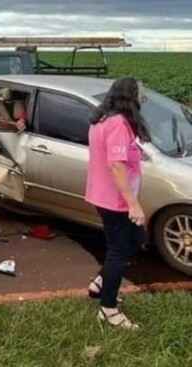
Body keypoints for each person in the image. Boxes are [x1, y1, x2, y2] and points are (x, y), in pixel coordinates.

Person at [85, 77, 150, 330]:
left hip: (103, 196)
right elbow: (114, 164)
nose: (141, 97)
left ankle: (99, 285)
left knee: (136, 241)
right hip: (116, 201)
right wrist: (133, 204)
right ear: (130, 96)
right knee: (118, 252)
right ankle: (108, 309)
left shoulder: (101, 120)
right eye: (139, 93)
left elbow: (112, 154)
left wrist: (135, 152)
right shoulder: (118, 123)